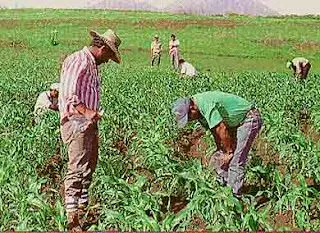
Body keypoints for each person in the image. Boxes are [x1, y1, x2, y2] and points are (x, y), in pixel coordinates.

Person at [59, 29, 121, 231]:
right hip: (76, 123)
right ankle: (72, 220)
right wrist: (87, 112)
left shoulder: (92, 65)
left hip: (87, 124)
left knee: (89, 167)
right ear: (102, 48)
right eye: (109, 55)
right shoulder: (79, 60)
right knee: (77, 168)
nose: (109, 60)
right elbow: (69, 93)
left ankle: (83, 208)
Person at [172, 91, 262, 197]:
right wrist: (221, 149)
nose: (191, 120)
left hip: (248, 119)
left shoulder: (205, 104)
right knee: (218, 157)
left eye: (189, 117)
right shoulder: (199, 113)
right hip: (233, 123)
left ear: (192, 108)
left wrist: (228, 152)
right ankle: (222, 188)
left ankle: (233, 198)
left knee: (236, 160)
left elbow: (221, 128)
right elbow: (215, 132)